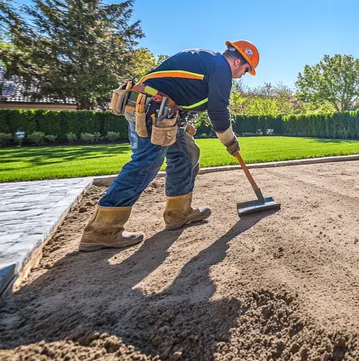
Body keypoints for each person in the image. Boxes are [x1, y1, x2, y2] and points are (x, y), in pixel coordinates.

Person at [79, 40, 260, 252]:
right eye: (246, 70)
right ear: (238, 60)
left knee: (186, 154)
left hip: (159, 109)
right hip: (153, 109)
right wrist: (230, 141)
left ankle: (178, 213)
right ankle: (101, 231)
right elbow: (218, 110)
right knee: (146, 163)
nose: (242, 75)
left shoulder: (209, 61)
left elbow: (180, 90)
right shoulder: (221, 68)